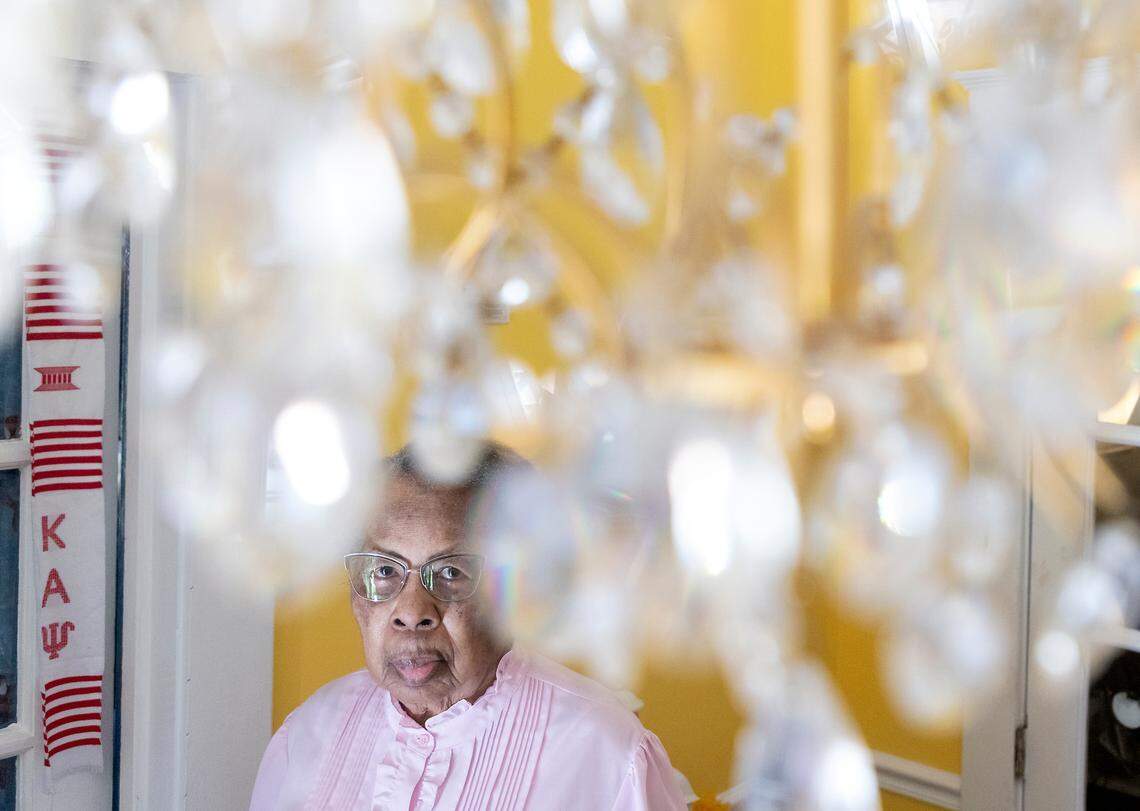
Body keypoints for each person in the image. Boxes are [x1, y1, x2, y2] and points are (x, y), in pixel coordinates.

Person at [250, 445, 687, 810]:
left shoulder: (605, 752)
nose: (412, 611)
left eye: (452, 572)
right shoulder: (307, 735)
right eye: (384, 570)